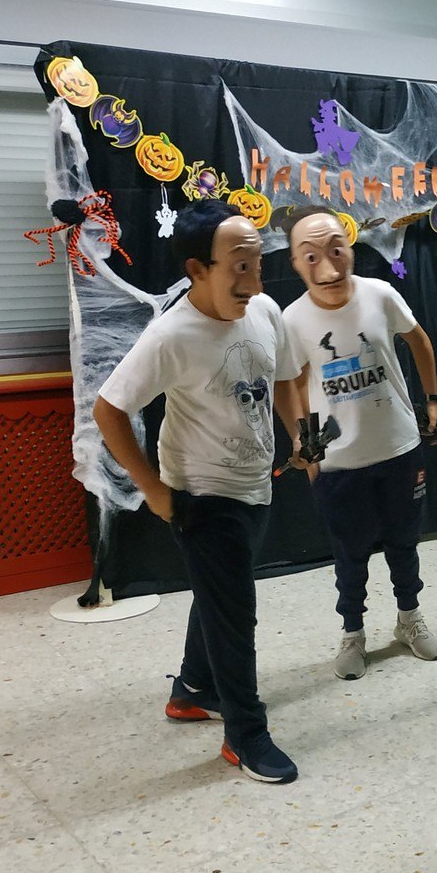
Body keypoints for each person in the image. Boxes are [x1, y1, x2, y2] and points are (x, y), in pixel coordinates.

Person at [93, 199, 301, 784]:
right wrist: (153, 490)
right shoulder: (172, 335)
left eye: (257, 264)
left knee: (219, 595)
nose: (254, 281)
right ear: (197, 270)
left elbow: (286, 378)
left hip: (255, 483)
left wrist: (301, 436)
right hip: (201, 495)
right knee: (235, 614)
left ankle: (191, 690)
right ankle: (246, 735)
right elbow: (109, 410)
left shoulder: (264, 310)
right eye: (239, 267)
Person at [280, 207, 437, 680]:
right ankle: (352, 633)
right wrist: (301, 439)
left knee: (404, 543)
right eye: (311, 255)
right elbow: (290, 382)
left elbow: (419, 340)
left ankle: (409, 618)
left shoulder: (381, 294)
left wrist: (433, 399)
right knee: (349, 554)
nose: (328, 266)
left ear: (350, 248)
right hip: (338, 463)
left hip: (398, 447)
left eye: (336, 249)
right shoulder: (292, 320)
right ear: (296, 262)